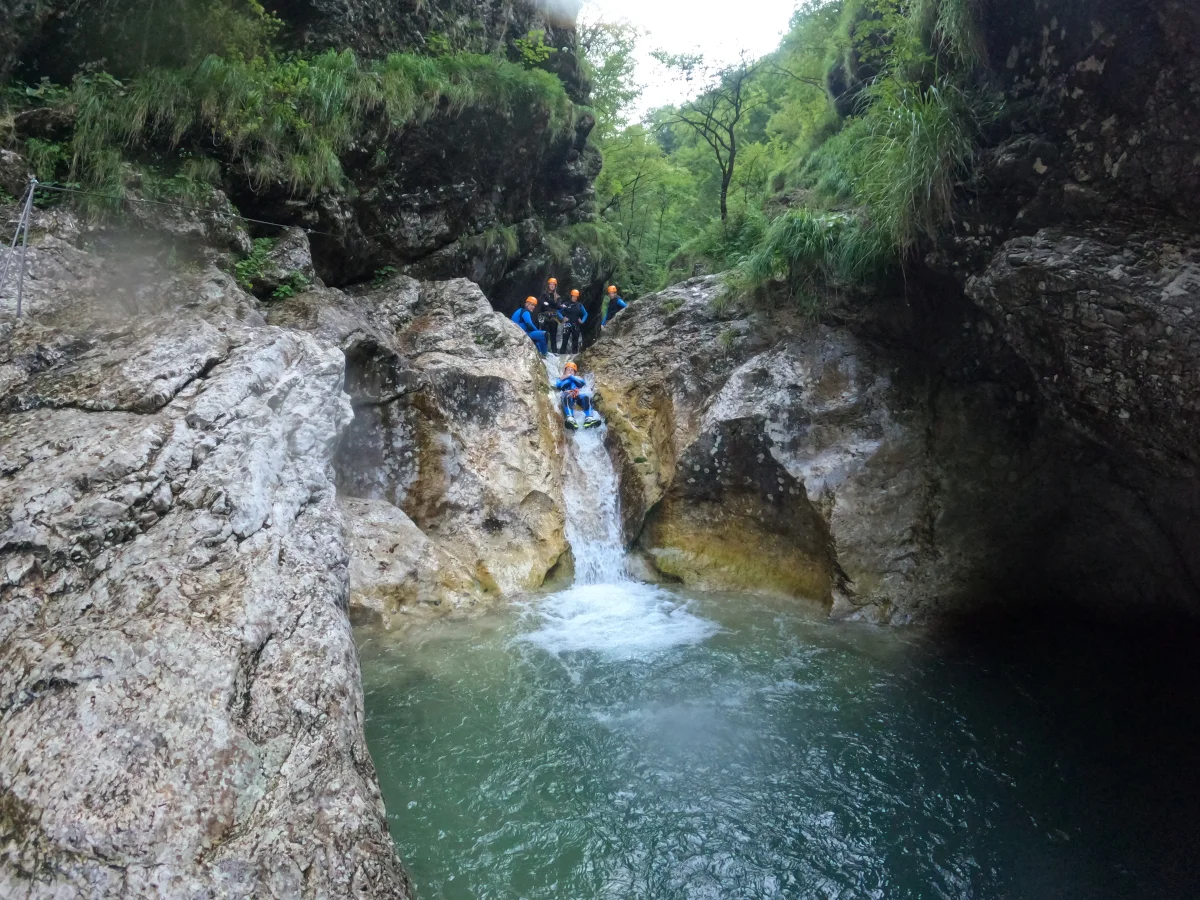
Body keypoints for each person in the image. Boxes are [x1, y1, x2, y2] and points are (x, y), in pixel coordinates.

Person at [554, 361, 601, 429]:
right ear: (565, 371)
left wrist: (570, 377)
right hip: (567, 394)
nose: (570, 371)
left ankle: (589, 418)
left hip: (577, 394)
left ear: (574, 373)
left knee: (586, 397)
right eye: (568, 370)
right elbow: (560, 386)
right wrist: (569, 379)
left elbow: (582, 383)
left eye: (572, 370)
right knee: (567, 396)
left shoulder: (577, 378)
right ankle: (570, 418)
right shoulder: (560, 379)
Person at [537, 277, 563, 353]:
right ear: (548, 285)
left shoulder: (557, 297)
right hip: (544, 315)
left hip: (553, 316)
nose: (552, 286)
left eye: (553, 284)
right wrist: (544, 303)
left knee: (553, 335)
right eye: (551, 284)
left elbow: (558, 306)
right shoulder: (544, 294)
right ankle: (543, 351)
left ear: (555, 286)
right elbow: (540, 301)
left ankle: (554, 352)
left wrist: (561, 306)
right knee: (544, 334)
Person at [558, 288, 588, 355]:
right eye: (574, 296)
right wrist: (562, 318)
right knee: (564, 342)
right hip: (567, 325)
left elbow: (586, 314)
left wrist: (582, 321)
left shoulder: (579, 305)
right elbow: (558, 311)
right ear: (571, 296)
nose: (575, 298)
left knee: (575, 343)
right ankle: (561, 356)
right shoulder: (566, 304)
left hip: (576, 325)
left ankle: (574, 356)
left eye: (576, 297)